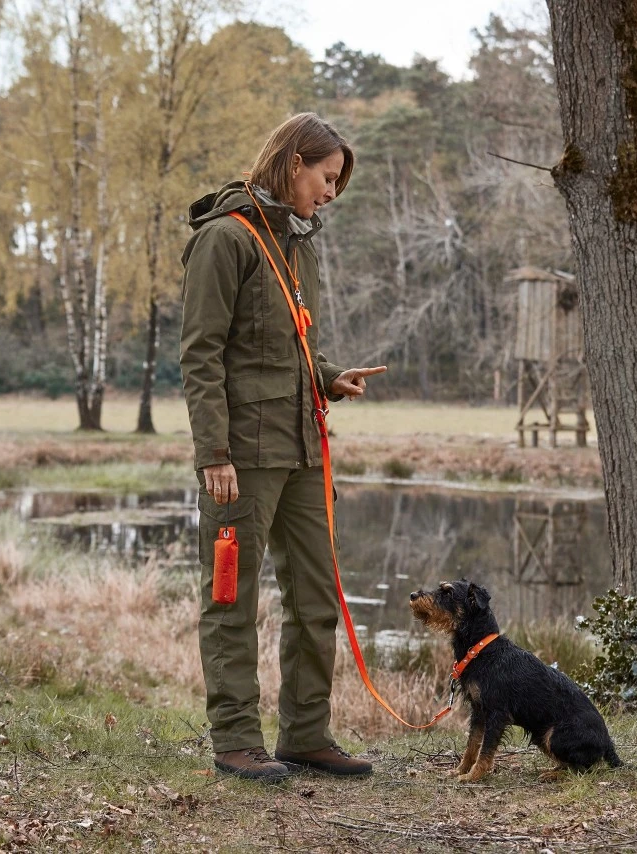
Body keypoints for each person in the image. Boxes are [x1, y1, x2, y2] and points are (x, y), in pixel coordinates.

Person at [179, 113, 388, 781]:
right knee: (231, 599)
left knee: (317, 596)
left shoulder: (301, 245)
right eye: (327, 179)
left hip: (305, 449)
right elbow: (201, 355)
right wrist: (214, 452)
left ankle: (306, 734)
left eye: (336, 184)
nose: (330, 193)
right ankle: (236, 741)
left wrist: (330, 374)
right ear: (294, 161)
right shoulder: (225, 239)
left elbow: (292, 344)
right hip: (241, 456)